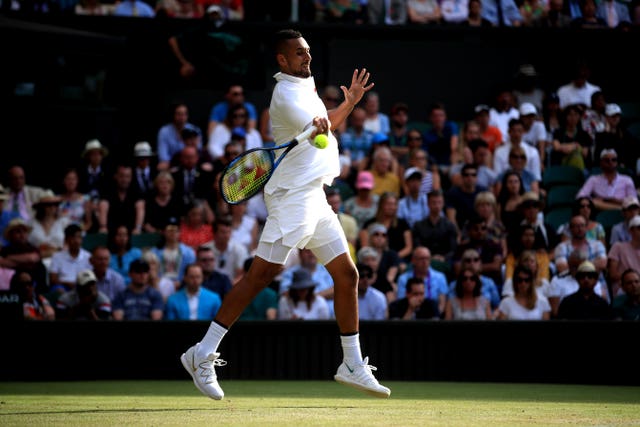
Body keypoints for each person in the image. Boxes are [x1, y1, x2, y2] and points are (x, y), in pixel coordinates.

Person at [180, 29, 390, 401]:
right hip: (292, 199)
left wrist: (342, 107)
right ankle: (202, 353)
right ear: (281, 60)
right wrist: (339, 111)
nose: (306, 58)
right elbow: (326, 122)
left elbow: (326, 120)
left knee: (347, 273)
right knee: (261, 276)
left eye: (307, 51)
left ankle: (352, 364)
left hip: (315, 197)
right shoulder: (285, 97)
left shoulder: (305, 85)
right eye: (298, 53)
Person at [412, 190, 459, 268]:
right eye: (434, 202)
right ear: (428, 204)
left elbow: (453, 249)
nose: (437, 206)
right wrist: (429, 257)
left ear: (443, 203)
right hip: (423, 260)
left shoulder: (450, 226)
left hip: (445, 260)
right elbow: (417, 246)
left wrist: (444, 258)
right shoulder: (418, 226)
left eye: (439, 202)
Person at [396, 246, 449, 314]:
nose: (425, 262)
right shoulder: (403, 279)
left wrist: (435, 317)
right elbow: (401, 302)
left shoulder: (440, 277)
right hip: (411, 316)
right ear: (413, 260)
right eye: (421, 258)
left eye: (427, 258)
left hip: (433, 317)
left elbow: (442, 303)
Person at [96, 164, 145, 235]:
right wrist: (103, 227)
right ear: (116, 176)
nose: (124, 179)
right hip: (112, 232)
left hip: (131, 232)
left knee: (140, 204)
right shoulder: (108, 191)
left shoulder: (136, 192)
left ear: (131, 178)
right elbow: (103, 206)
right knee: (103, 204)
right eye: (121, 176)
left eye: (127, 176)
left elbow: (140, 208)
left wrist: (137, 228)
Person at [156, 102, 203, 172]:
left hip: (191, 160)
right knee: (162, 166)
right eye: (179, 114)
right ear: (173, 115)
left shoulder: (195, 130)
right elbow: (163, 156)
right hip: (173, 161)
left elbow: (198, 150)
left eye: (184, 114)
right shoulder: (164, 131)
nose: (182, 117)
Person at [48, 223, 92, 295]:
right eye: (73, 237)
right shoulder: (57, 256)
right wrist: (68, 283)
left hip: (83, 287)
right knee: (58, 290)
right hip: (63, 286)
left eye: (79, 237)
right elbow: (53, 279)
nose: (76, 240)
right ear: (66, 239)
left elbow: (91, 278)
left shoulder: (88, 256)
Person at [27, 191, 69, 261]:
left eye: (55, 204)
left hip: (60, 260)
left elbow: (69, 244)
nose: (52, 207)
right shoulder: (31, 223)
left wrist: (56, 251)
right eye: (48, 205)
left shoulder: (64, 222)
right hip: (36, 260)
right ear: (41, 207)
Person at [607, 215, 640, 298]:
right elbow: (613, 274)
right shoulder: (618, 247)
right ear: (631, 231)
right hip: (624, 287)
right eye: (639, 228)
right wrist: (632, 279)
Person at [57, 167, 94, 232]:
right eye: (68, 179)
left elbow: (89, 223)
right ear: (63, 181)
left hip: (78, 234)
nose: (71, 182)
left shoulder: (85, 199)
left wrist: (79, 232)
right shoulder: (57, 199)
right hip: (61, 232)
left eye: (74, 179)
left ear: (77, 181)